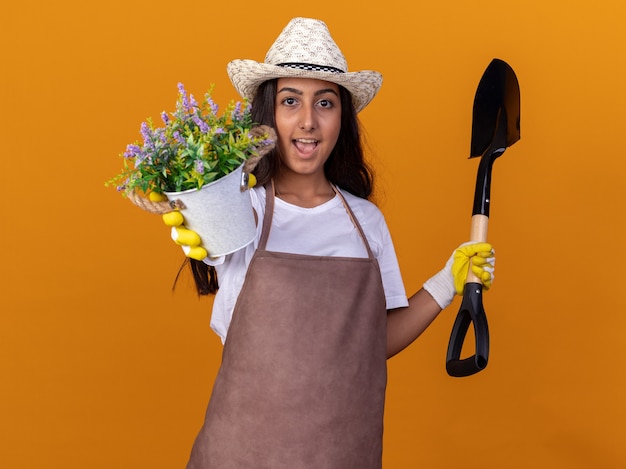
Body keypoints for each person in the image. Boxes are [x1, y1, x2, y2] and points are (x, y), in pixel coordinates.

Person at [165, 17, 495, 469]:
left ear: (343, 117)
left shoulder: (365, 221)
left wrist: (446, 281)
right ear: (270, 115)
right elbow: (209, 236)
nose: (308, 121)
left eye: (325, 102)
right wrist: (197, 215)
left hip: (341, 455)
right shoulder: (243, 210)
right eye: (290, 101)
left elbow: (370, 342)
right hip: (241, 455)